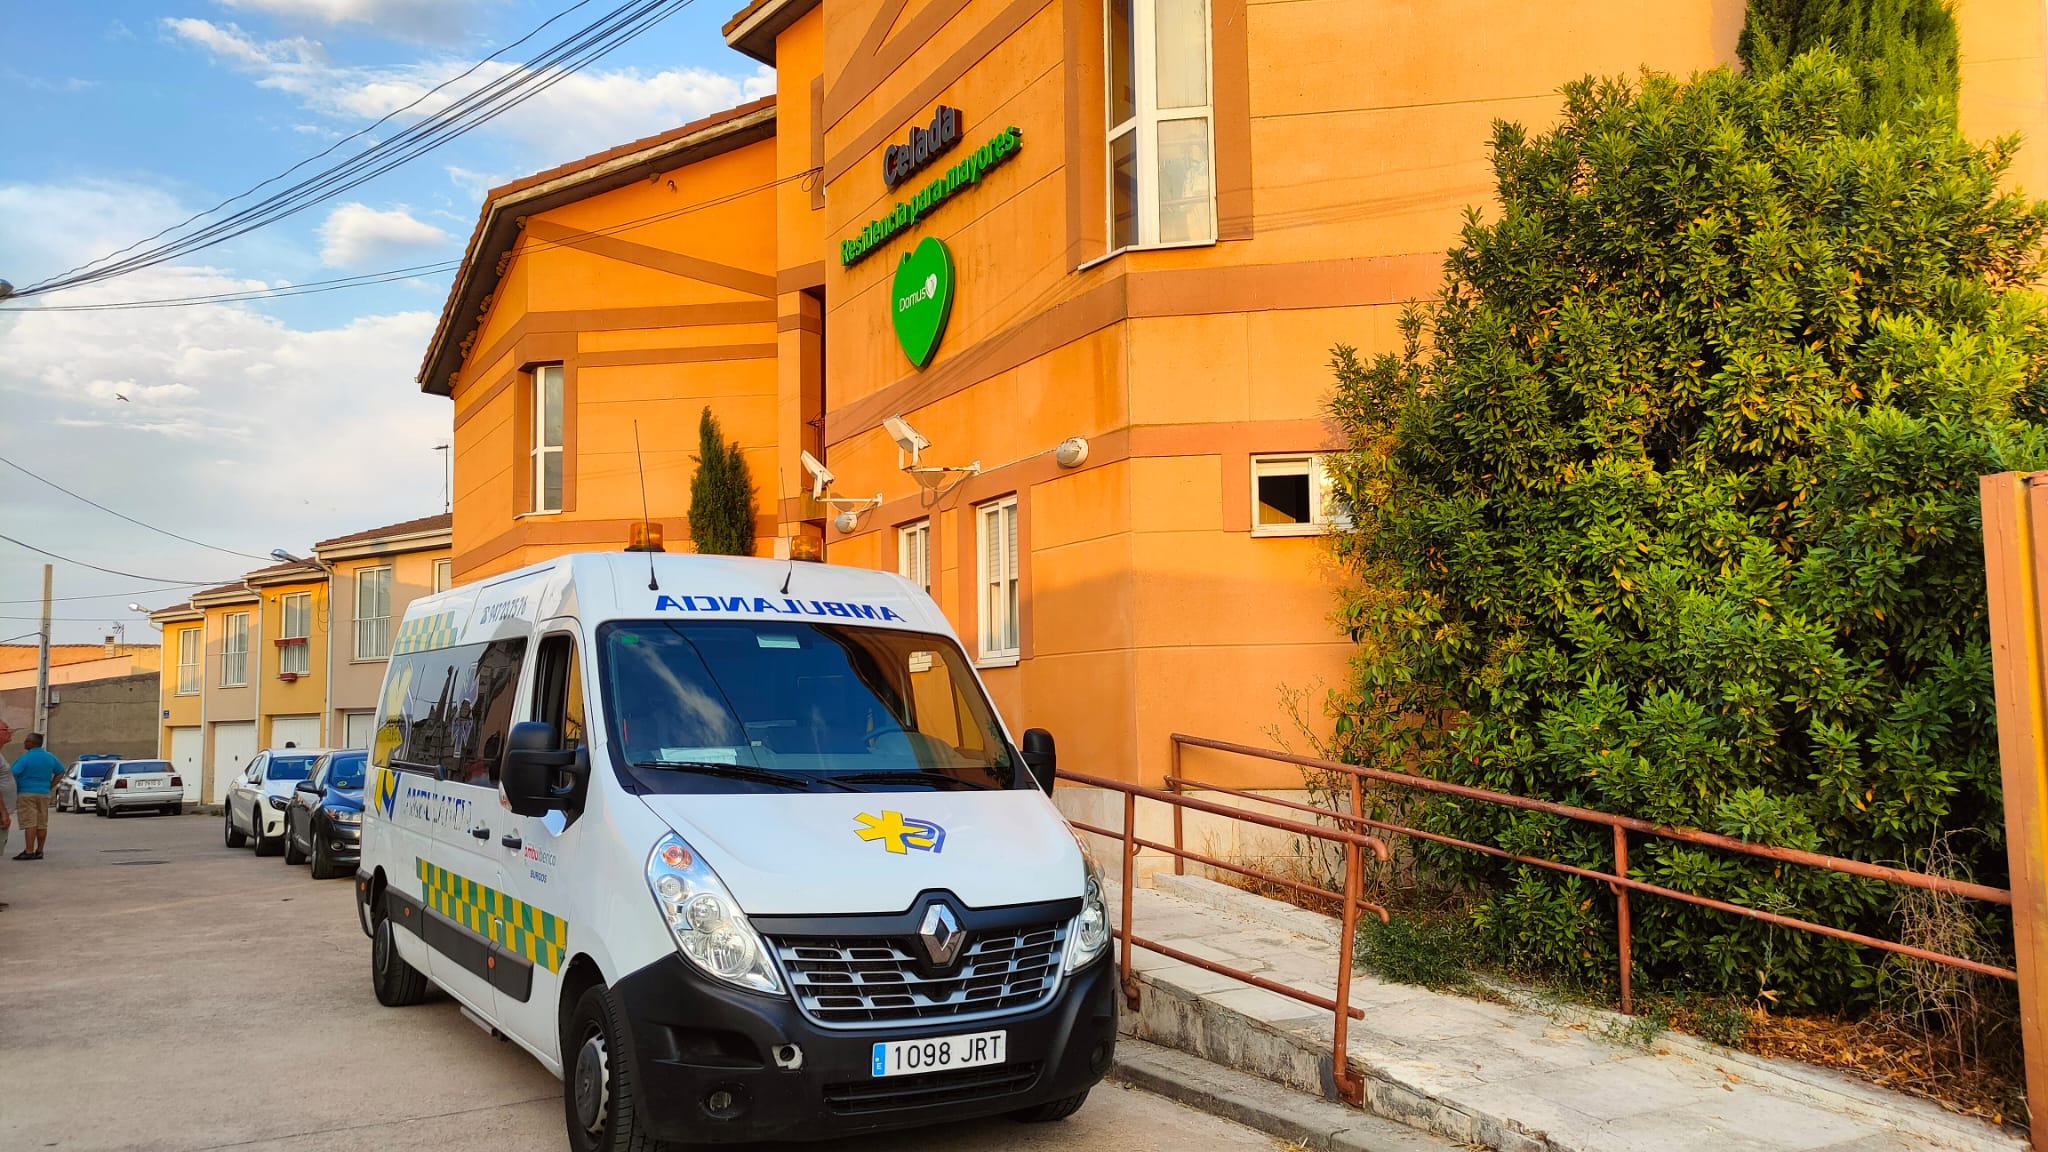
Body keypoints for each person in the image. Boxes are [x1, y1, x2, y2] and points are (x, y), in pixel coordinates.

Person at [11, 733, 63, 861]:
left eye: (26, 740)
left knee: (30, 823)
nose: (24, 743)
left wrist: (16, 786)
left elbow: (13, 773)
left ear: (32, 743)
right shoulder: (50, 757)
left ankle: (29, 851)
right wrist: (51, 785)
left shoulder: (25, 758)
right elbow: (60, 771)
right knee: (42, 823)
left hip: (26, 793)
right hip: (44, 793)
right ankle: (40, 850)